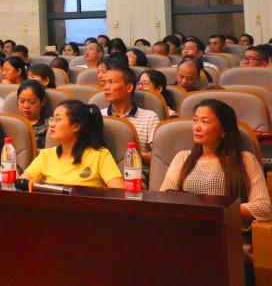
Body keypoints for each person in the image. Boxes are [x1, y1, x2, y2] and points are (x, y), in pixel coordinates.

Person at [161, 99, 272, 228]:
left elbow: (263, 207)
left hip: (229, 235)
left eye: (204, 122)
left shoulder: (245, 160)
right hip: (186, 231)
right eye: (195, 120)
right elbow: (163, 200)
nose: (197, 127)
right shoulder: (182, 158)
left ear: (224, 130)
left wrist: (212, 212)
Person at [21, 100, 122, 189]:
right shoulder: (46, 155)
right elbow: (21, 183)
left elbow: (119, 192)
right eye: (52, 119)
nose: (51, 124)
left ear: (76, 126)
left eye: (58, 119)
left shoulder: (100, 155)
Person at [101, 65, 160, 162]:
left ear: (129, 87)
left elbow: (159, 157)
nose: (106, 87)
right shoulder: (99, 116)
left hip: (136, 169)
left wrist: (133, 155)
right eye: (104, 83)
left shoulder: (149, 118)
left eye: (112, 82)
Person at [17, 80, 51, 148]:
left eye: (32, 102)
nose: (26, 106)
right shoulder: (13, 124)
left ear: (42, 102)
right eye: (21, 101)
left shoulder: (49, 126)